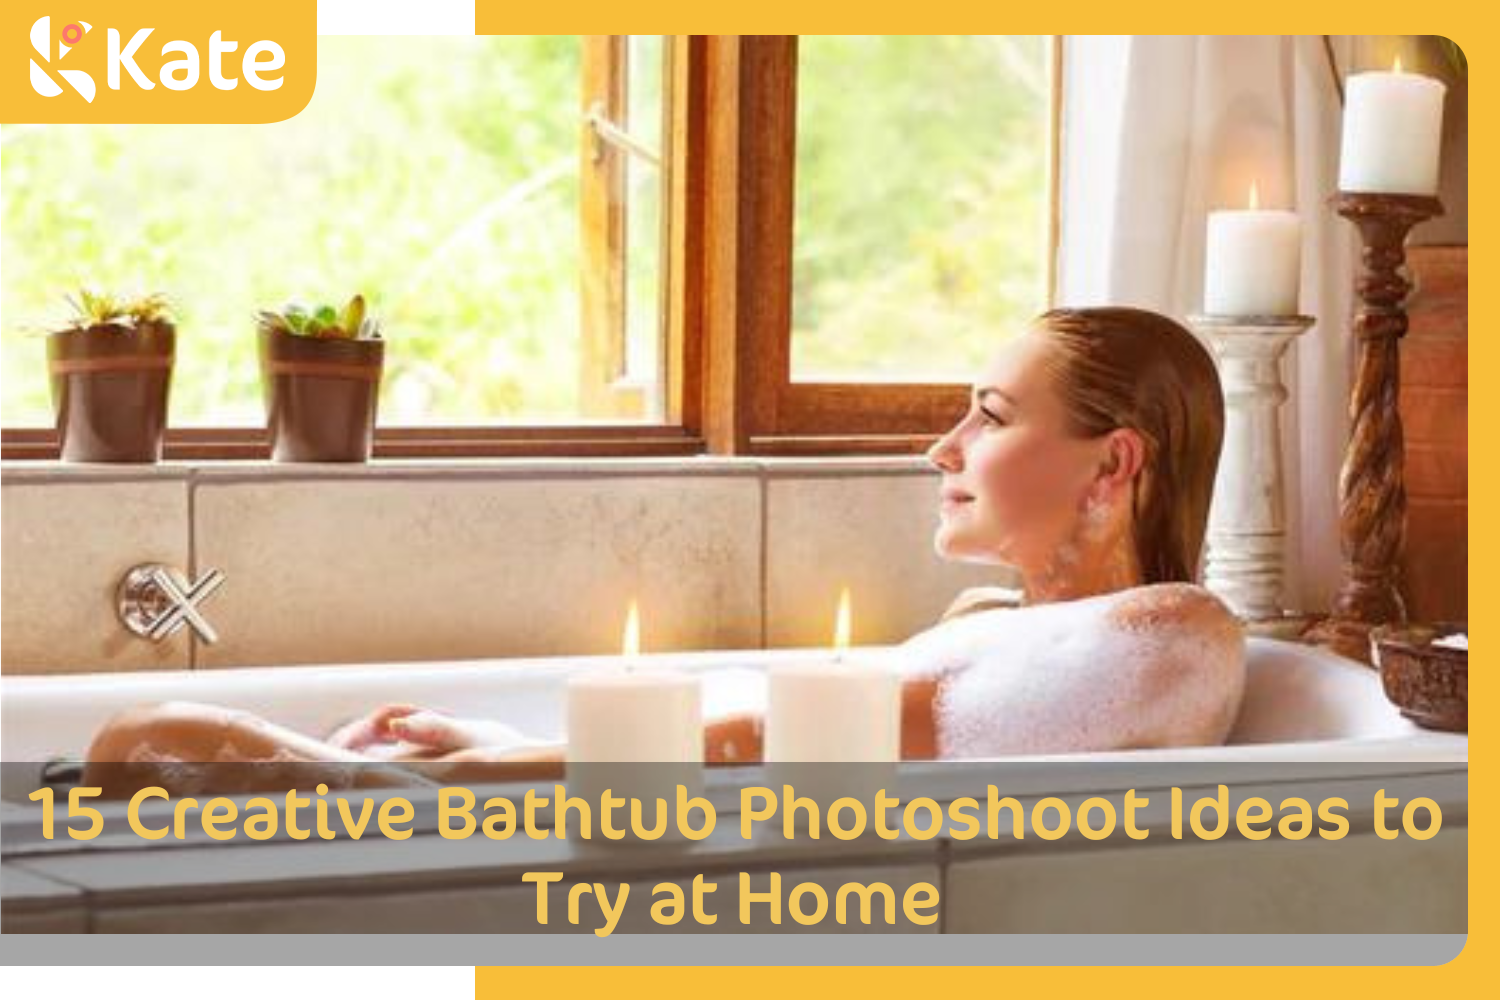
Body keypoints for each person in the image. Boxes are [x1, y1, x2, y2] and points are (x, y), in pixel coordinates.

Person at [82, 306, 1244, 798]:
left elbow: (787, 752)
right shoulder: (994, 626)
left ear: (1112, 465)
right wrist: (505, 744)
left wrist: (444, 785)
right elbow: (790, 754)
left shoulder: (1169, 636)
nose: (944, 443)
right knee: (139, 749)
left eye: (990, 415)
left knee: (151, 740)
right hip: (663, 836)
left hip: (694, 856)